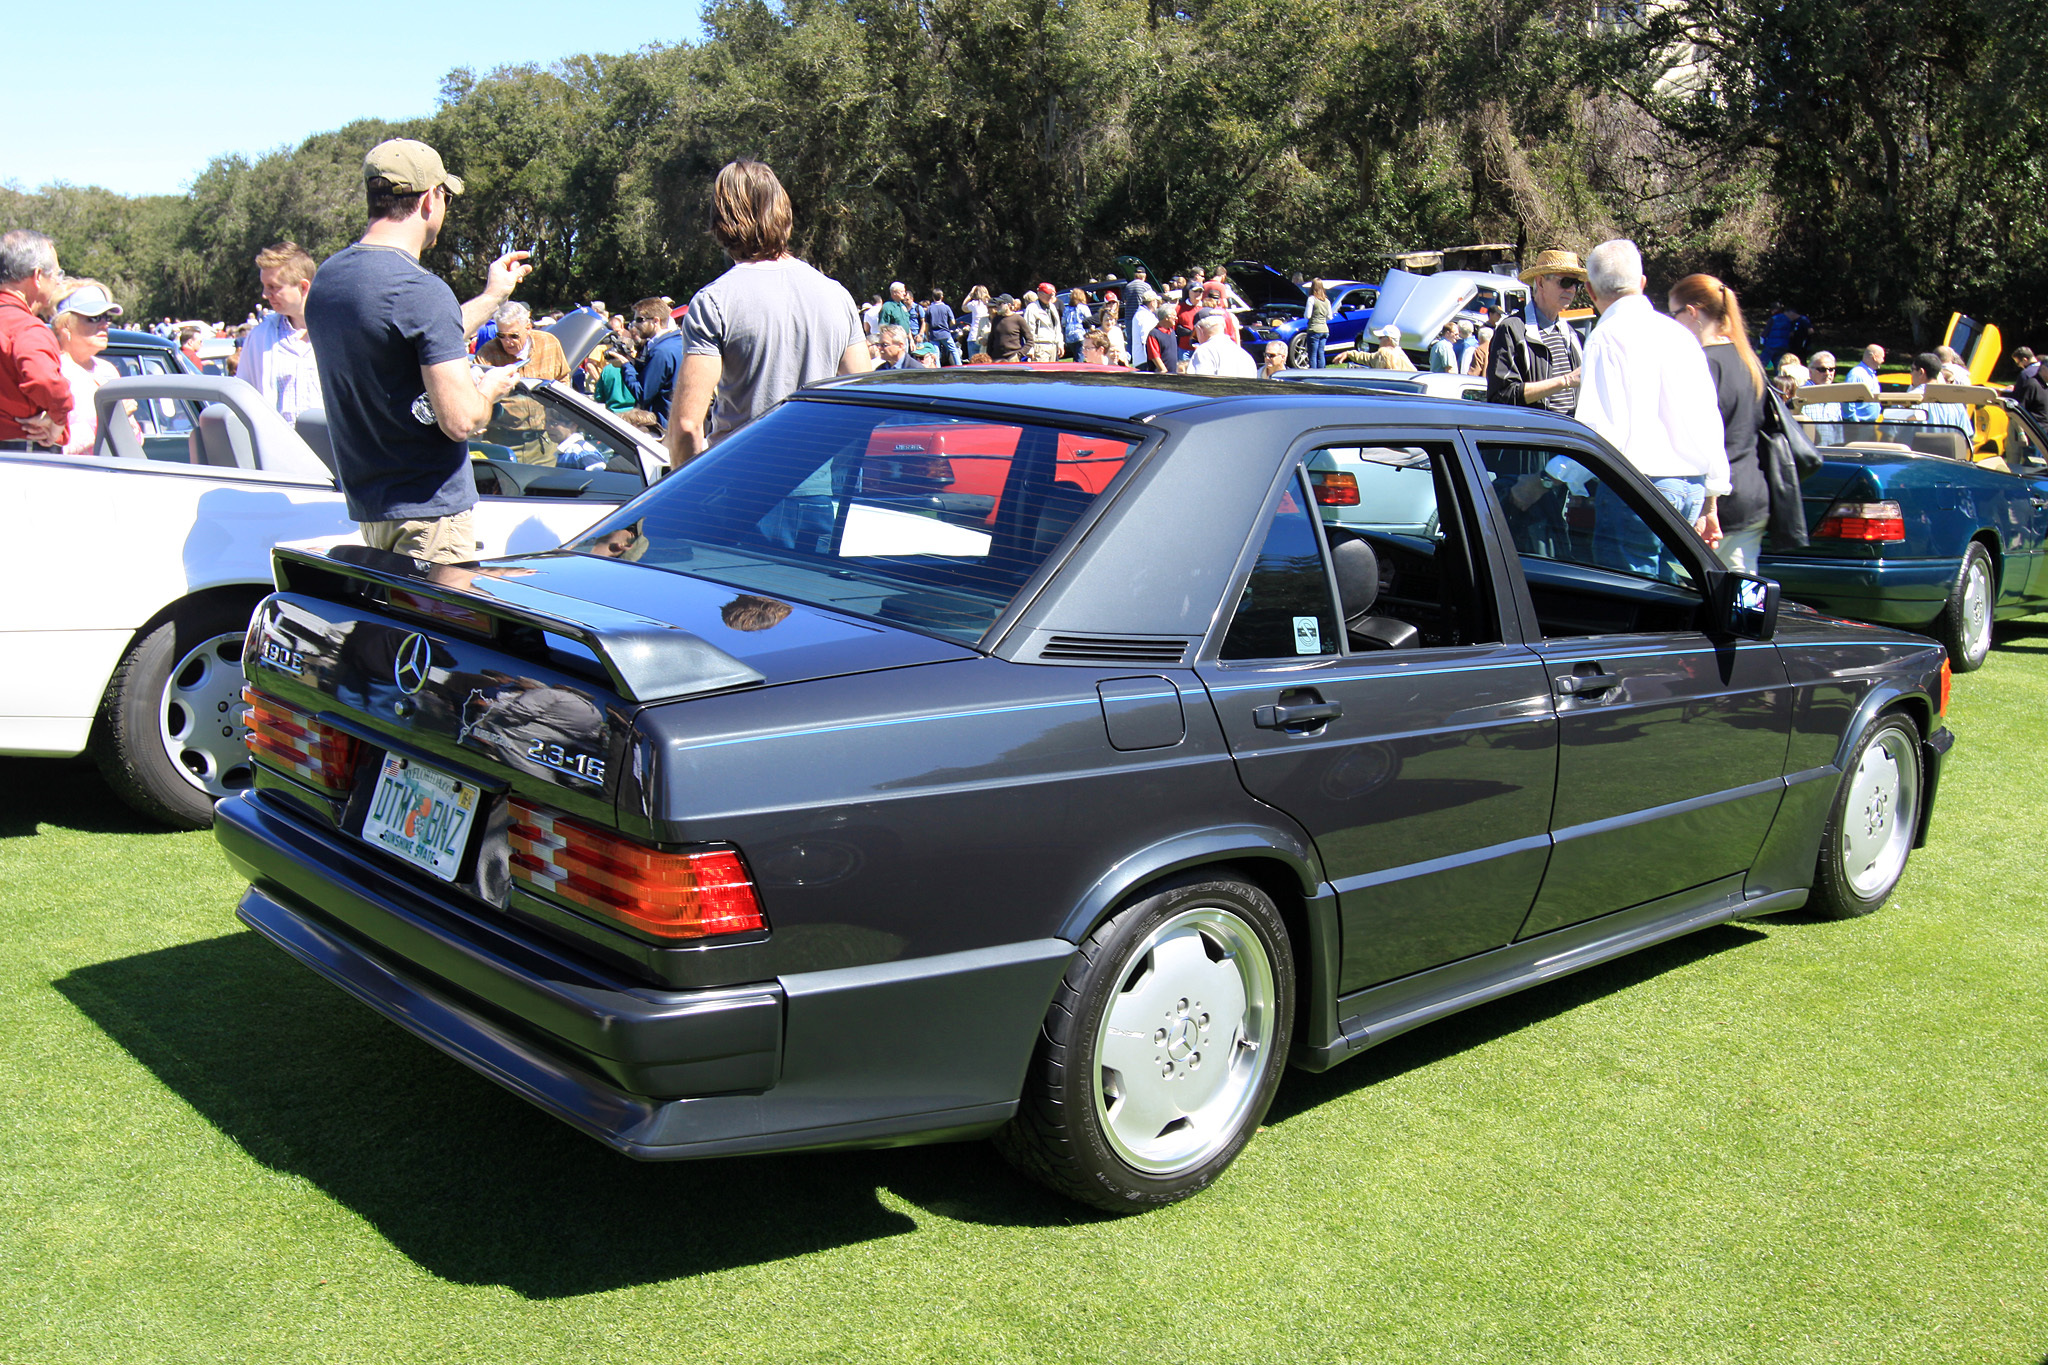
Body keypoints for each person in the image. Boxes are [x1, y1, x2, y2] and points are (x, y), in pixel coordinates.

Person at [304, 137, 531, 563]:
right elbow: (461, 421)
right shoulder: (419, 288)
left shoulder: (329, 281)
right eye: (445, 196)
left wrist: (493, 296)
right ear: (430, 199)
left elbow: (405, 337)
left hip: (373, 508)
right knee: (440, 630)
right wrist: (489, 392)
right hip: (431, 515)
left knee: (397, 630)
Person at [665, 160, 872, 469]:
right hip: (814, 482)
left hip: (739, 481)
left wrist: (688, 496)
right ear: (782, 211)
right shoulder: (836, 295)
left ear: (721, 219)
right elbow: (864, 402)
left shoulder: (714, 302)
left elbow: (686, 427)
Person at [1574, 238, 1729, 572]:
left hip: (1637, 487)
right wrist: (1710, 502)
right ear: (1642, 284)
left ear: (1589, 290)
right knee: (1677, 598)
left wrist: (1555, 477)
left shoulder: (1605, 336)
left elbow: (1598, 429)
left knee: (1634, 600)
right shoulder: (1679, 335)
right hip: (1690, 486)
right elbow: (1708, 421)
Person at [1669, 273, 1770, 570]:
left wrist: (1706, 505)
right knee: (1742, 600)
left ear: (1691, 312)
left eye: (1673, 313)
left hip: (1715, 500)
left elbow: (1698, 438)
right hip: (1752, 493)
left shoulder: (1701, 364)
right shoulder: (1748, 359)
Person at [1486, 247, 1583, 413]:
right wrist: (1565, 381)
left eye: (1576, 284)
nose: (1572, 290)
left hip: (1570, 436)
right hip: (1535, 436)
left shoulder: (1572, 336)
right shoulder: (1512, 330)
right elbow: (1501, 396)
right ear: (1540, 282)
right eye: (1566, 282)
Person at [0, 229, 71, 450]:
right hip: (20, 455)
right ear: (38, 276)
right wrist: (58, 416)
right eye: (57, 275)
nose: (59, 283)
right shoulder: (26, 328)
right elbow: (44, 380)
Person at [238, 242, 323, 425]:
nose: (265, 294)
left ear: (303, 287)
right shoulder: (260, 338)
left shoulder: (338, 333)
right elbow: (243, 398)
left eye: (273, 287)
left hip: (330, 448)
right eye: (264, 286)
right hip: (278, 448)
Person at [49, 280, 124, 454]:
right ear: (65, 325)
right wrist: (106, 421)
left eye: (108, 317)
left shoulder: (108, 370)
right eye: (94, 318)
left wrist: (127, 422)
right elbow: (53, 446)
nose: (104, 324)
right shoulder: (54, 371)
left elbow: (134, 439)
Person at [626, 297, 684, 429]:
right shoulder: (678, 342)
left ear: (656, 321)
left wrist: (626, 365)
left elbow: (642, 394)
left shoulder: (661, 351)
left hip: (664, 424)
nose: (635, 324)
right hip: (678, 421)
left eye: (640, 320)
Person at [1188, 310, 1256, 377]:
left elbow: (1199, 383)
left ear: (1199, 330)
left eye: (1195, 334)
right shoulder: (1245, 355)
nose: (1196, 338)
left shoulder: (1204, 351)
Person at [1846, 344, 1885, 423]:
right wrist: (1854, 421)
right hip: (1858, 425)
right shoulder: (1856, 374)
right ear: (1875, 357)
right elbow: (1847, 399)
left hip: (1870, 424)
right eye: (1882, 357)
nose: (1883, 361)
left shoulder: (1872, 374)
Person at [1023, 284, 1062, 363]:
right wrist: (1030, 349)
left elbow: (1057, 327)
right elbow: (1028, 330)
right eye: (1048, 294)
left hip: (1053, 345)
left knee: (1052, 372)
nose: (1050, 296)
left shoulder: (1052, 307)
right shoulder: (1032, 308)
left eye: (1052, 294)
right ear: (1040, 294)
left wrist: (1060, 343)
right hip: (1039, 345)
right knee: (1042, 373)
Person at [986, 294, 1029, 362]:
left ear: (1008, 305)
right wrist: (989, 356)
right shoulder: (996, 319)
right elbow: (991, 340)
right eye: (997, 304)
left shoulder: (1018, 319)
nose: (997, 306)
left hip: (1012, 358)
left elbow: (1030, 340)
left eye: (1000, 304)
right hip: (996, 359)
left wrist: (1019, 355)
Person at [2012, 347, 2048, 425]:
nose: (2019, 366)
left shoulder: (2025, 374)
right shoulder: (2043, 369)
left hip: (2034, 422)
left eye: (2018, 363)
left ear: (2025, 360)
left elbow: (2019, 402)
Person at [1144, 304, 1183, 374]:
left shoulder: (1172, 332)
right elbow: (1154, 355)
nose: (1176, 318)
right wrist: (1164, 370)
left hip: (1173, 372)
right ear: (1166, 317)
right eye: (1174, 316)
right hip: (1161, 375)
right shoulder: (1154, 334)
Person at [925, 288, 958, 367]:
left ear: (933, 297)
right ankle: (959, 365)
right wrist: (948, 326)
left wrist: (927, 334)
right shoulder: (946, 307)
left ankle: (937, 369)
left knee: (936, 354)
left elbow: (927, 324)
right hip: (945, 333)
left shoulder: (929, 308)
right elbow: (953, 322)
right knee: (953, 350)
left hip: (934, 334)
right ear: (942, 297)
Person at [1303, 280, 1332, 369]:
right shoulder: (1327, 301)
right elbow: (1330, 317)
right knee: (1321, 352)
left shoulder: (1312, 299)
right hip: (1325, 330)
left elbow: (1307, 315)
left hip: (1314, 329)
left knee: (1313, 354)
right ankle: (1322, 372)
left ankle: (1313, 373)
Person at [1061, 288, 1092, 361]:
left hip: (1070, 336)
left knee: (1076, 355)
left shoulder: (1067, 309)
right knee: (1080, 356)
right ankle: (1079, 370)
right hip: (1081, 335)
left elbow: (1063, 322)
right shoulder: (1084, 308)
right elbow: (1089, 320)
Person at [963, 285, 992, 357]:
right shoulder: (990, 305)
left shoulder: (974, 304)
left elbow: (963, 307)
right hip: (985, 337)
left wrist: (970, 294)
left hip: (973, 337)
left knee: (973, 365)